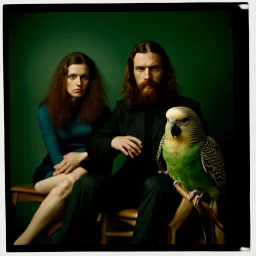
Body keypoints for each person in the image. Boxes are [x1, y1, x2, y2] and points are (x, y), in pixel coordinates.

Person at [56, 41, 207, 245]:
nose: (147, 77)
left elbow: (206, 155)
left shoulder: (189, 109)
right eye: (140, 69)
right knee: (86, 184)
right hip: (129, 186)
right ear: (132, 72)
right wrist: (113, 141)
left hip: (167, 188)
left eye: (153, 68)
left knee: (155, 184)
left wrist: (182, 169)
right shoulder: (123, 108)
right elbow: (95, 143)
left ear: (165, 72)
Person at [14, 52, 112, 245]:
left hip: (90, 171)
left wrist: (82, 160)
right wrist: (72, 171)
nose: (79, 83)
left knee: (70, 184)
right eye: (72, 76)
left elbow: (103, 152)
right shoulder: (46, 110)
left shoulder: (103, 112)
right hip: (55, 170)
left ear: (91, 81)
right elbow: (57, 157)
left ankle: (22, 242)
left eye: (84, 77)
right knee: (68, 183)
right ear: (63, 79)